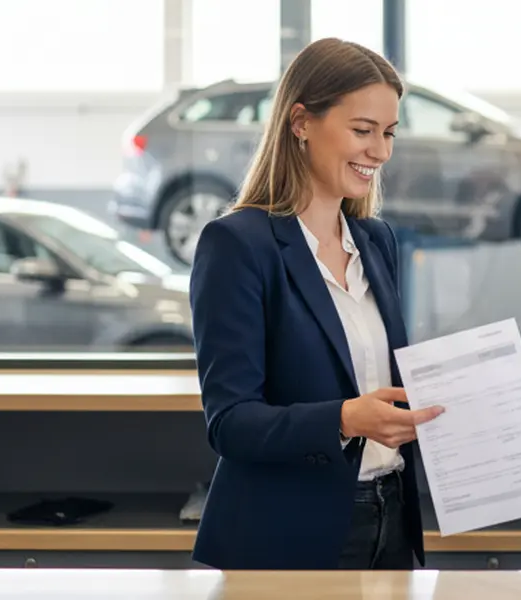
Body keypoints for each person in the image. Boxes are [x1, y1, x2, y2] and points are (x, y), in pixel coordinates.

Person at [187, 37, 444, 571]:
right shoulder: (238, 244)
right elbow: (231, 423)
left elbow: (386, 381)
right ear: (301, 122)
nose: (381, 151)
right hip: (290, 533)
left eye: (389, 133)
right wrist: (347, 419)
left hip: (392, 518)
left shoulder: (376, 242)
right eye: (362, 130)